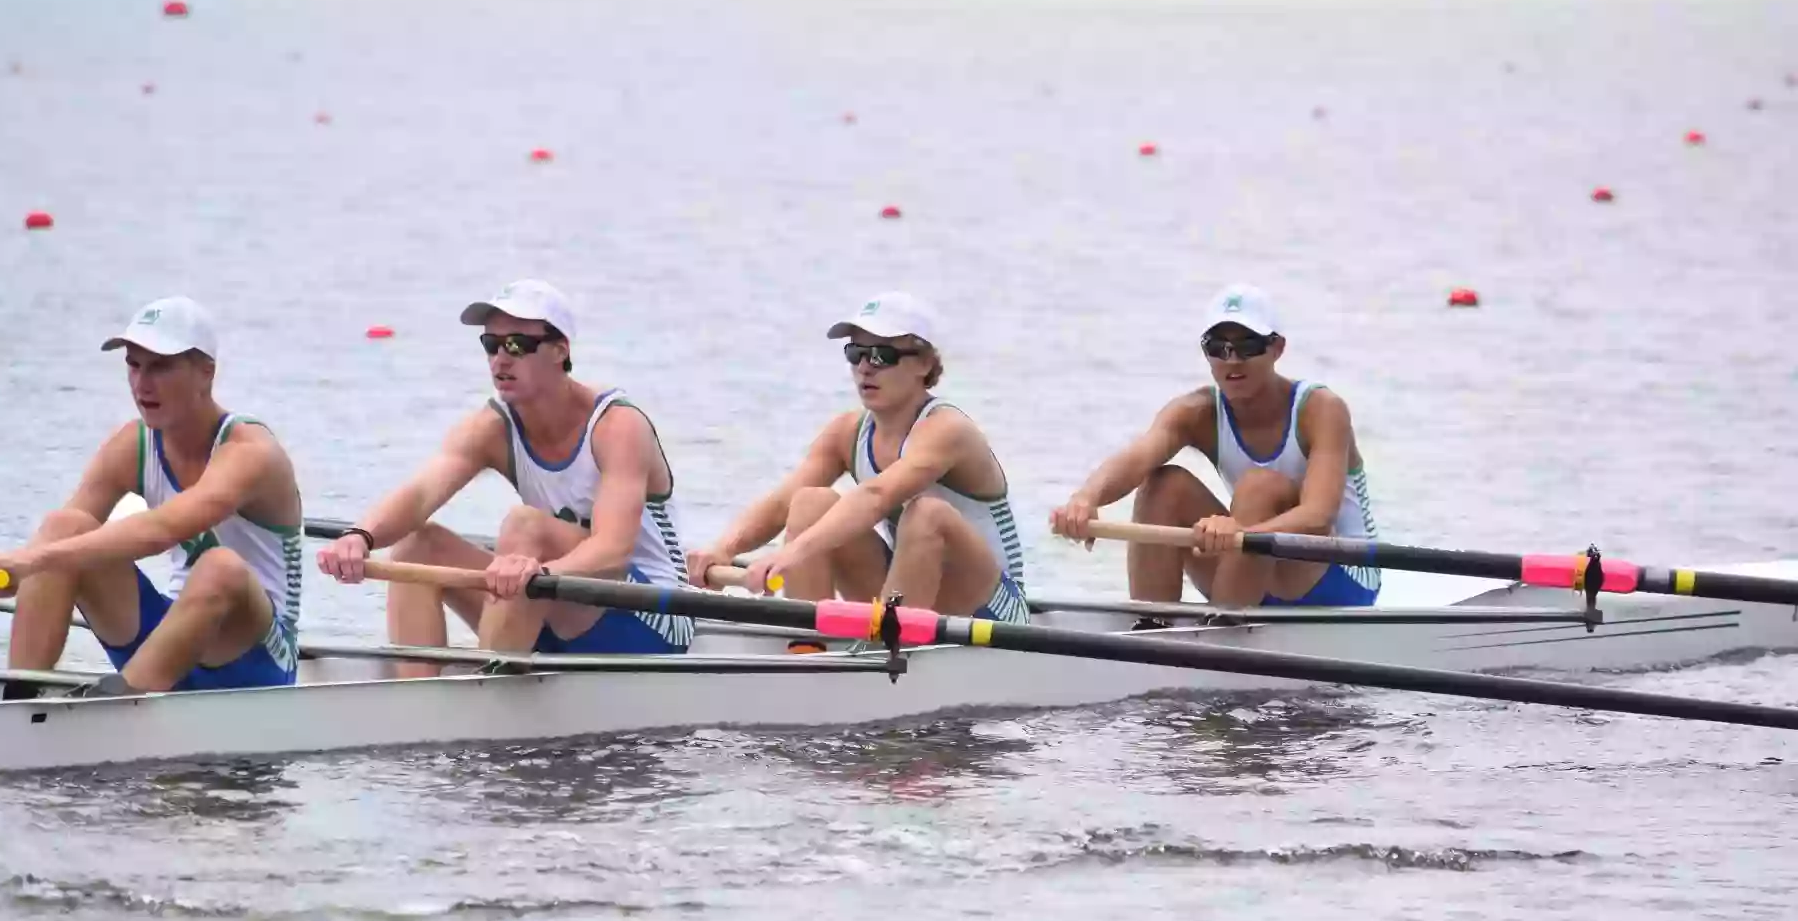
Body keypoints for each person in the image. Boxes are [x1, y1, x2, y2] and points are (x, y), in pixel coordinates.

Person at [0, 296, 305, 697]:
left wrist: (27, 562)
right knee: (64, 527)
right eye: (133, 364)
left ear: (206, 372)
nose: (142, 384)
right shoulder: (133, 445)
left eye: (160, 366)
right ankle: (19, 705)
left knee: (222, 567)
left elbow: (161, 529)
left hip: (255, 660)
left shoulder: (250, 452)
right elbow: (50, 565)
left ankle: (120, 710)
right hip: (168, 641)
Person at [316, 277, 692, 669]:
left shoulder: (618, 427)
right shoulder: (491, 427)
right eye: (490, 345)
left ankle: (484, 700)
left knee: (525, 527)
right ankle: (417, 700)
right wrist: (360, 537)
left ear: (559, 351)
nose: (500, 359)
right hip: (549, 601)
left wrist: (537, 574)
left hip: (650, 620)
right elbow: (420, 495)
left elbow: (614, 551)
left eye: (516, 345)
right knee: (417, 546)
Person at [685, 292, 1028, 638]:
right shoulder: (847, 432)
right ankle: (808, 654)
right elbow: (780, 503)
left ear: (924, 363)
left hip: (995, 613)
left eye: (882, 356)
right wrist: (723, 548)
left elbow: (875, 495)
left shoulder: (948, 430)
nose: (865, 367)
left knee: (927, 515)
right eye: (856, 354)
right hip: (908, 596)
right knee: (809, 502)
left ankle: (885, 654)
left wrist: (788, 555)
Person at [1049, 283, 1380, 611]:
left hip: (1340, 577)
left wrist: (1242, 533)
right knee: (1164, 484)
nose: (1232, 360)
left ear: (1277, 348)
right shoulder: (1196, 411)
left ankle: (1221, 631)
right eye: (1217, 347)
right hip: (1252, 567)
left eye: (1248, 346)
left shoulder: (1321, 409)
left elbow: (1317, 515)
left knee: (1260, 487)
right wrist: (1085, 499)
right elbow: (1138, 457)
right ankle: (1152, 627)